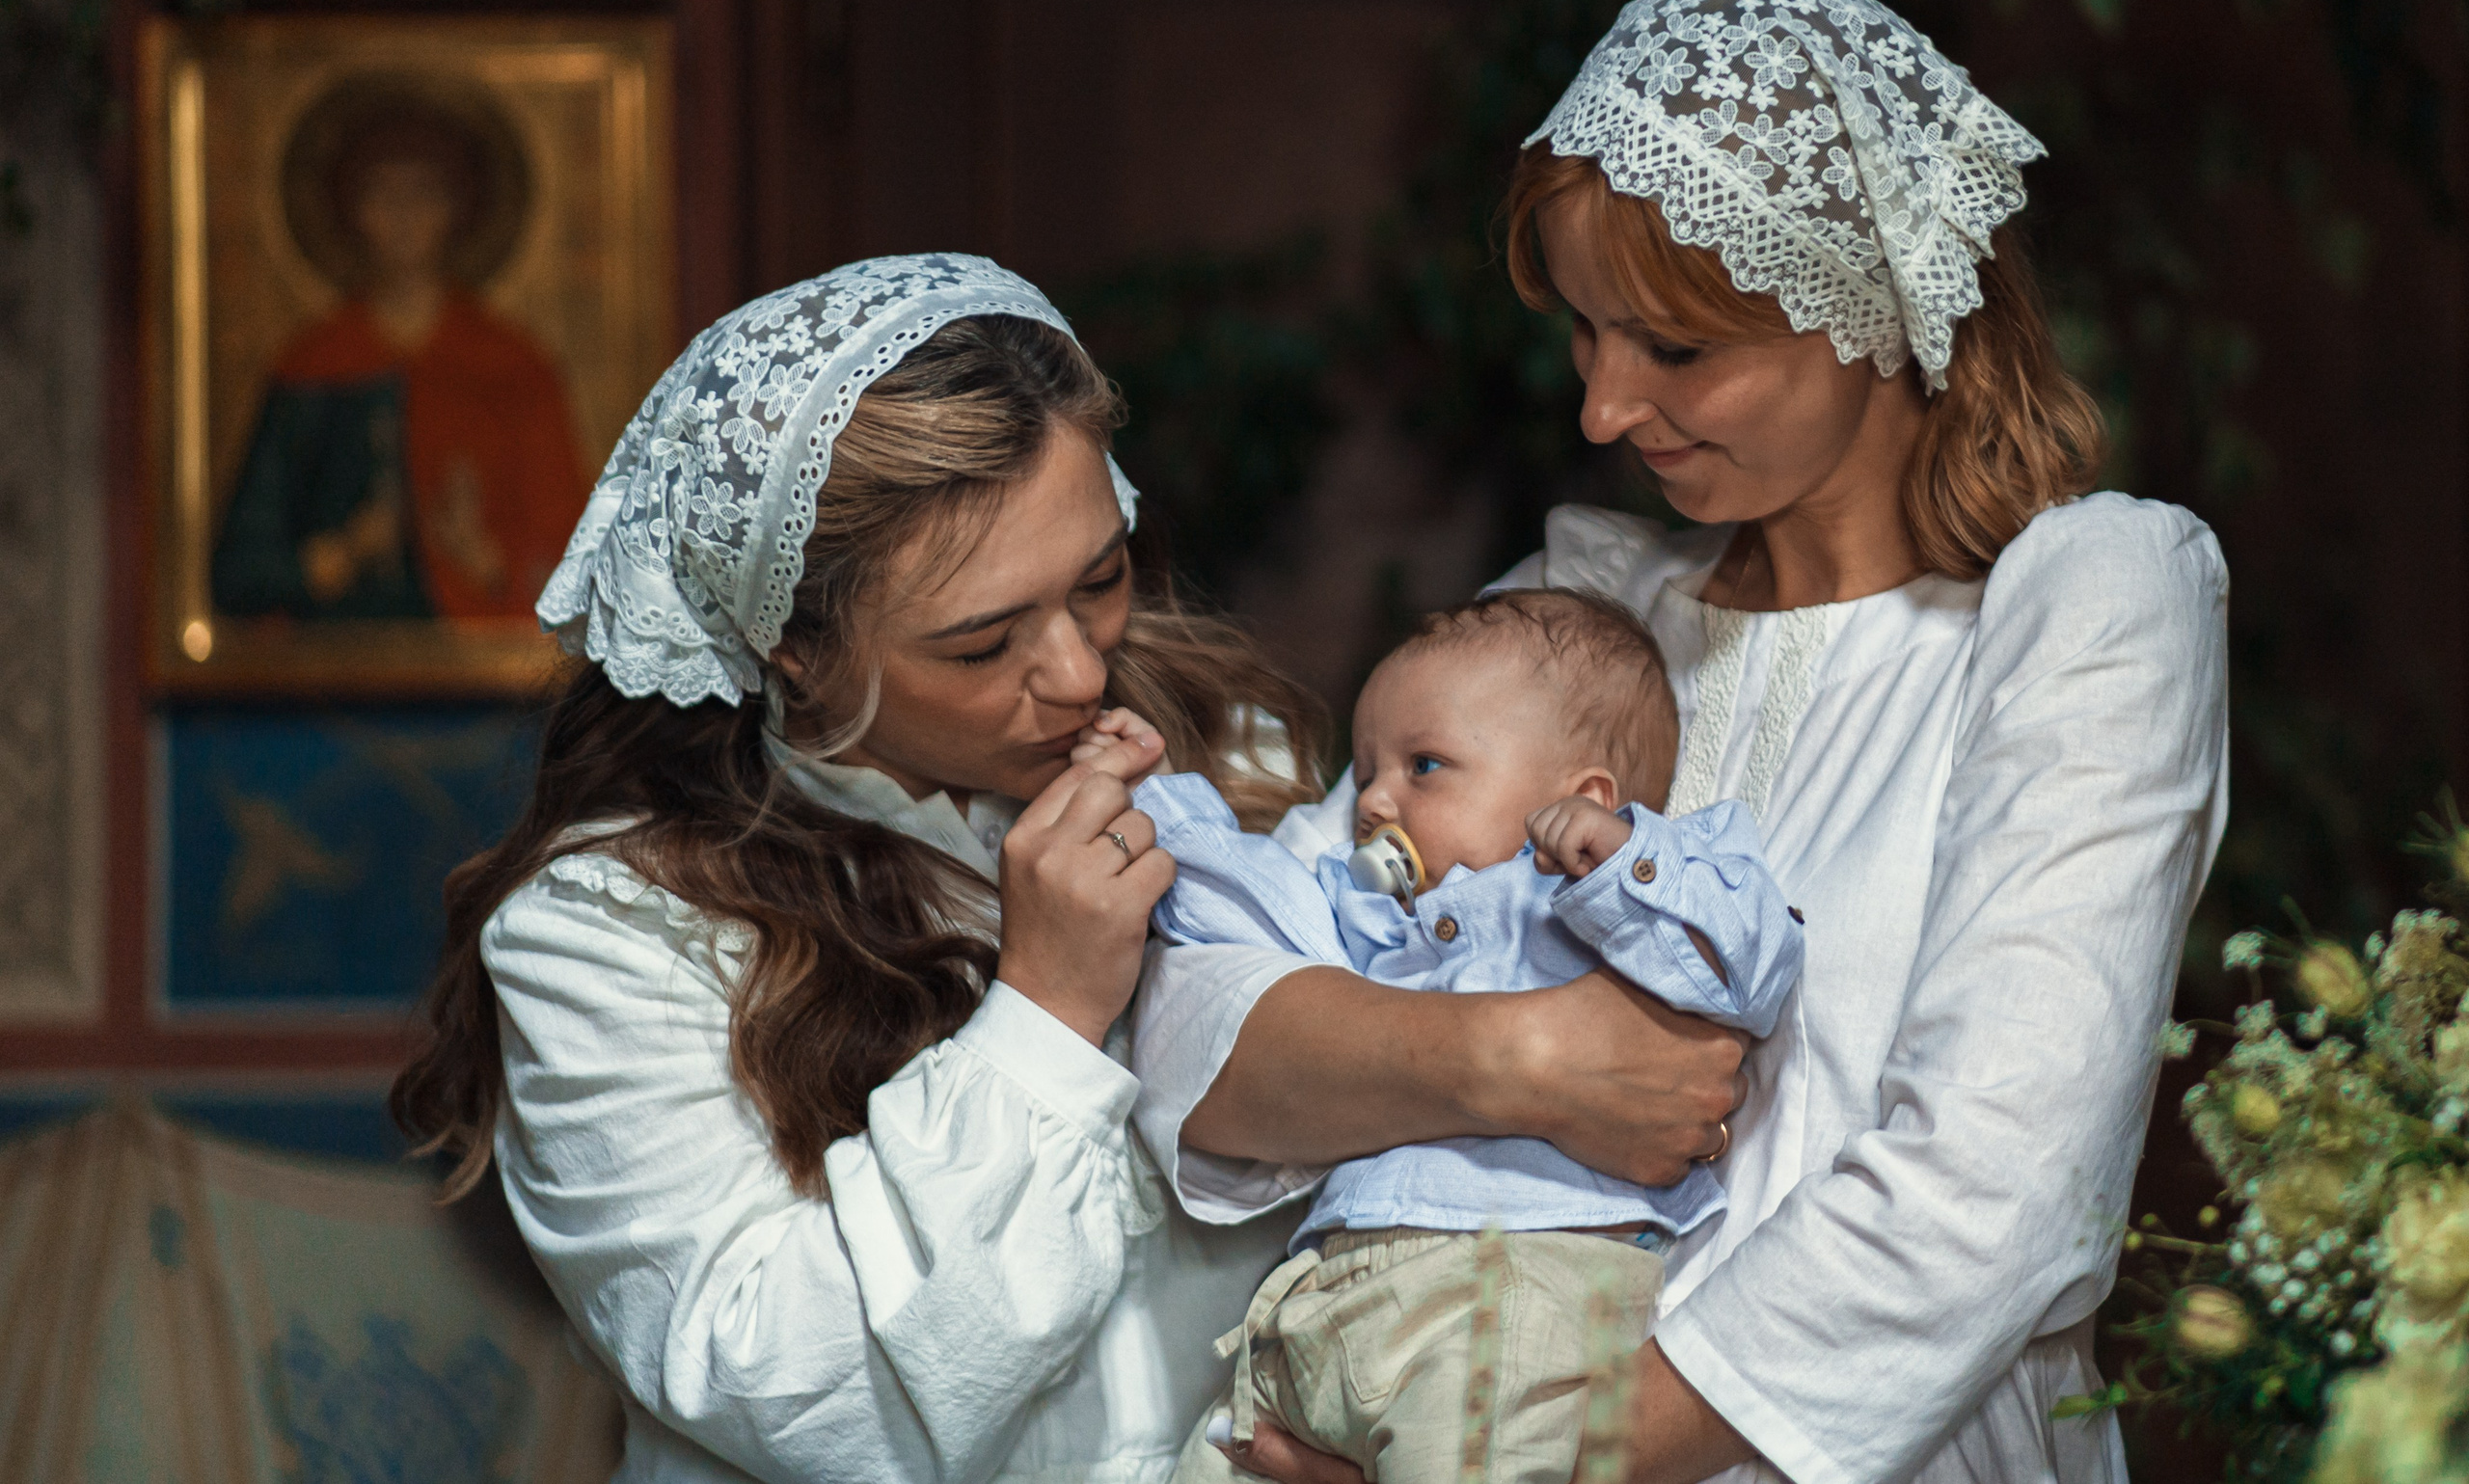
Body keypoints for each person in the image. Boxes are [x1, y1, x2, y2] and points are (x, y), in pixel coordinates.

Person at [1135, 0, 2227, 1484]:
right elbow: (1212, 1009)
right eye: (1584, 332)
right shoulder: (1590, 610)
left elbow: (2001, 1188)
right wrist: (1513, 1062)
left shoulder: (2078, 608)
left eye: (1676, 347)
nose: (1599, 408)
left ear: (1865, 303)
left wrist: (1508, 1458)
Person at [389, 254, 1719, 1483]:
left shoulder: (1235, 761)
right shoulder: (613, 927)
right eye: (980, 644)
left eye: (1100, 576)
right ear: (791, 648)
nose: (1080, 670)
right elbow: (800, 1395)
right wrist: (1045, 1009)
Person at [1117, 587, 1800, 1483]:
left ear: (1583, 794)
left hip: (1512, 1289)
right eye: (1365, 771)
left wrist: (1618, 860)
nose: (1373, 800)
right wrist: (1157, 812)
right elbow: (1245, 923)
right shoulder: (1376, 921)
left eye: (1423, 766)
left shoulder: (1599, 897)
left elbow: (1751, 962)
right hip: (1323, 1299)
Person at [214, 103, 586, 623]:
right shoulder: (312, 364)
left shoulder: (513, 366)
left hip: (484, 683)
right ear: (353, 212)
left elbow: (575, 569)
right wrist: (329, 559)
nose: (404, 216)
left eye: (424, 195)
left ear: (456, 211)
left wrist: (486, 558)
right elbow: (241, 567)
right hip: (330, 676)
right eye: (382, 195)